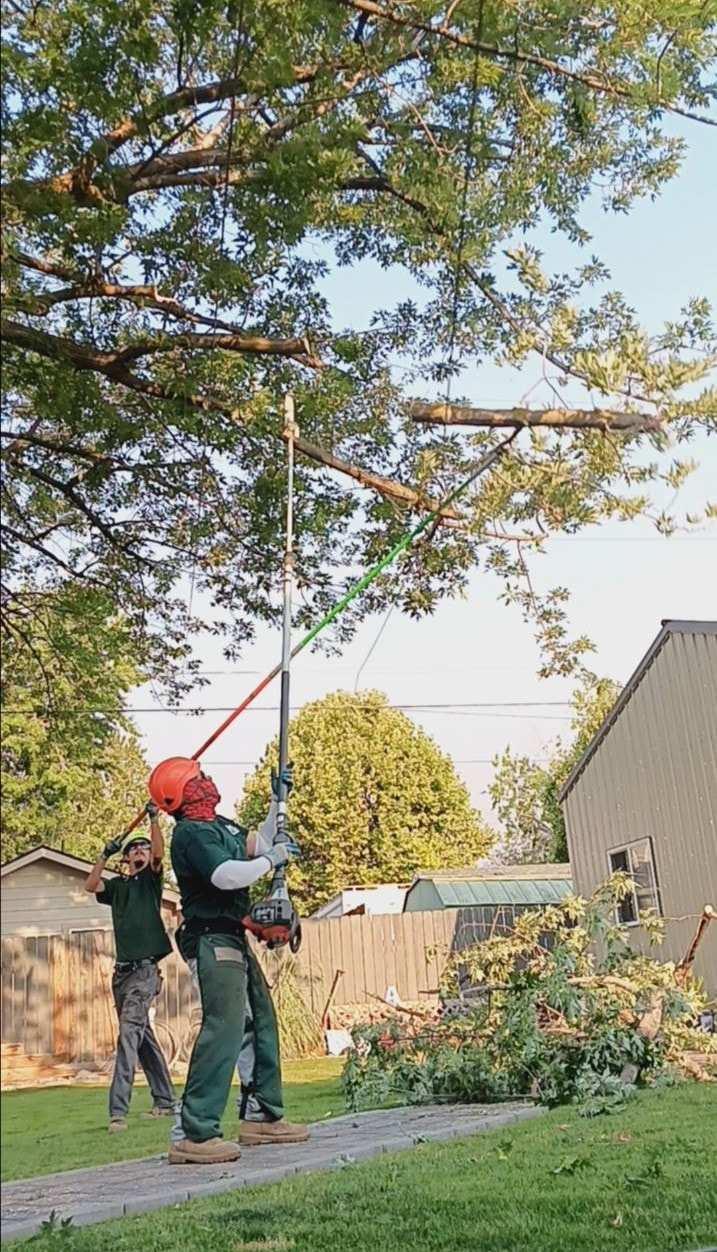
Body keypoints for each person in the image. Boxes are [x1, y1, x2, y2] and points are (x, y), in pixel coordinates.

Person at [146, 756, 309, 1165]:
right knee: (224, 1027)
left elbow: (262, 843)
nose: (207, 780)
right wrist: (273, 861)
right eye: (198, 778)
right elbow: (226, 875)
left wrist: (277, 801)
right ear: (184, 792)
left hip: (233, 937)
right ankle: (193, 1132)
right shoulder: (191, 834)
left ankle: (262, 1115)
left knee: (259, 1020)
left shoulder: (220, 826)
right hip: (210, 938)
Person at [85, 805, 176, 1132]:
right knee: (142, 1038)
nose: (140, 850)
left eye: (143, 846)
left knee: (128, 1035)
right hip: (121, 975)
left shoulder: (151, 881)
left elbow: (158, 853)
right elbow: (90, 885)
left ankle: (117, 1112)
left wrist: (153, 818)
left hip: (144, 973)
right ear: (125, 859)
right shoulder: (118, 887)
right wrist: (102, 855)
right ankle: (165, 1102)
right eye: (133, 848)